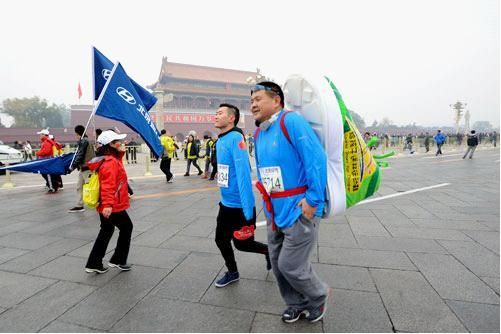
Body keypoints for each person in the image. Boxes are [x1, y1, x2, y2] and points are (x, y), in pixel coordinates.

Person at [251, 82, 329, 323]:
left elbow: (315, 158)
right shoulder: (259, 131)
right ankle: (294, 303)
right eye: (251, 100)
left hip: (298, 207)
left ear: (276, 101)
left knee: (290, 264)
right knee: (276, 262)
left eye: (258, 99)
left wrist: (313, 200)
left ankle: (318, 296)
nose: (253, 104)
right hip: (274, 209)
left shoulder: (290, 121)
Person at [213, 103, 270, 288]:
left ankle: (269, 251)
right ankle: (233, 272)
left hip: (239, 206)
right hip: (226, 204)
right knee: (220, 240)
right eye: (216, 113)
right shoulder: (221, 140)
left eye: (220, 113)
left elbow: (244, 175)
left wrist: (248, 211)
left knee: (243, 244)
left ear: (231, 118)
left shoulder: (235, 138)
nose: (216, 116)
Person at [85, 130, 133, 274]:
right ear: (110, 145)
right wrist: (108, 205)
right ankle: (118, 260)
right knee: (126, 227)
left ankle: (94, 262)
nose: (121, 143)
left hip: (106, 203)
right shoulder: (110, 162)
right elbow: (108, 185)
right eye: (117, 141)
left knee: (106, 230)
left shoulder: (105, 159)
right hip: (112, 204)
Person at [68, 125, 95, 212]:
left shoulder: (83, 141)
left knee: (92, 187)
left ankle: (100, 201)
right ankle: (80, 205)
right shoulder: (85, 140)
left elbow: (80, 155)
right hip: (84, 168)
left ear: (77, 133)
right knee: (79, 186)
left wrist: (72, 166)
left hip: (87, 168)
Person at [35, 129, 59, 193]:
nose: (39, 135)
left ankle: (52, 187)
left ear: (43, 135)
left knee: (47, 174)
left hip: (47, 161)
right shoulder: (46, 141)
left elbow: (46, 151)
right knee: (46, 174)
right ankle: (54, 185)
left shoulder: (47, 142)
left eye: (40, 134)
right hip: (46, 160)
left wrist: (38, 153)